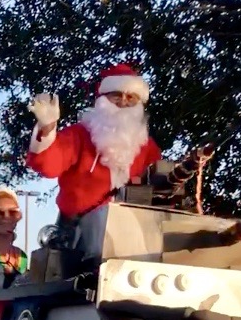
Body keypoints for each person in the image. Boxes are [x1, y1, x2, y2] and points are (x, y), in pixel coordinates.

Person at [25, 63, 162, 222]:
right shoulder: (81, 134)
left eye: (131, 97)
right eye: (116, 94)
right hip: (78, 232)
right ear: (104, 99)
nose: (123, 101)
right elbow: (49, 166)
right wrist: (47, 127)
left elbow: (161, 188)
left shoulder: (147, 147)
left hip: (132, 230)